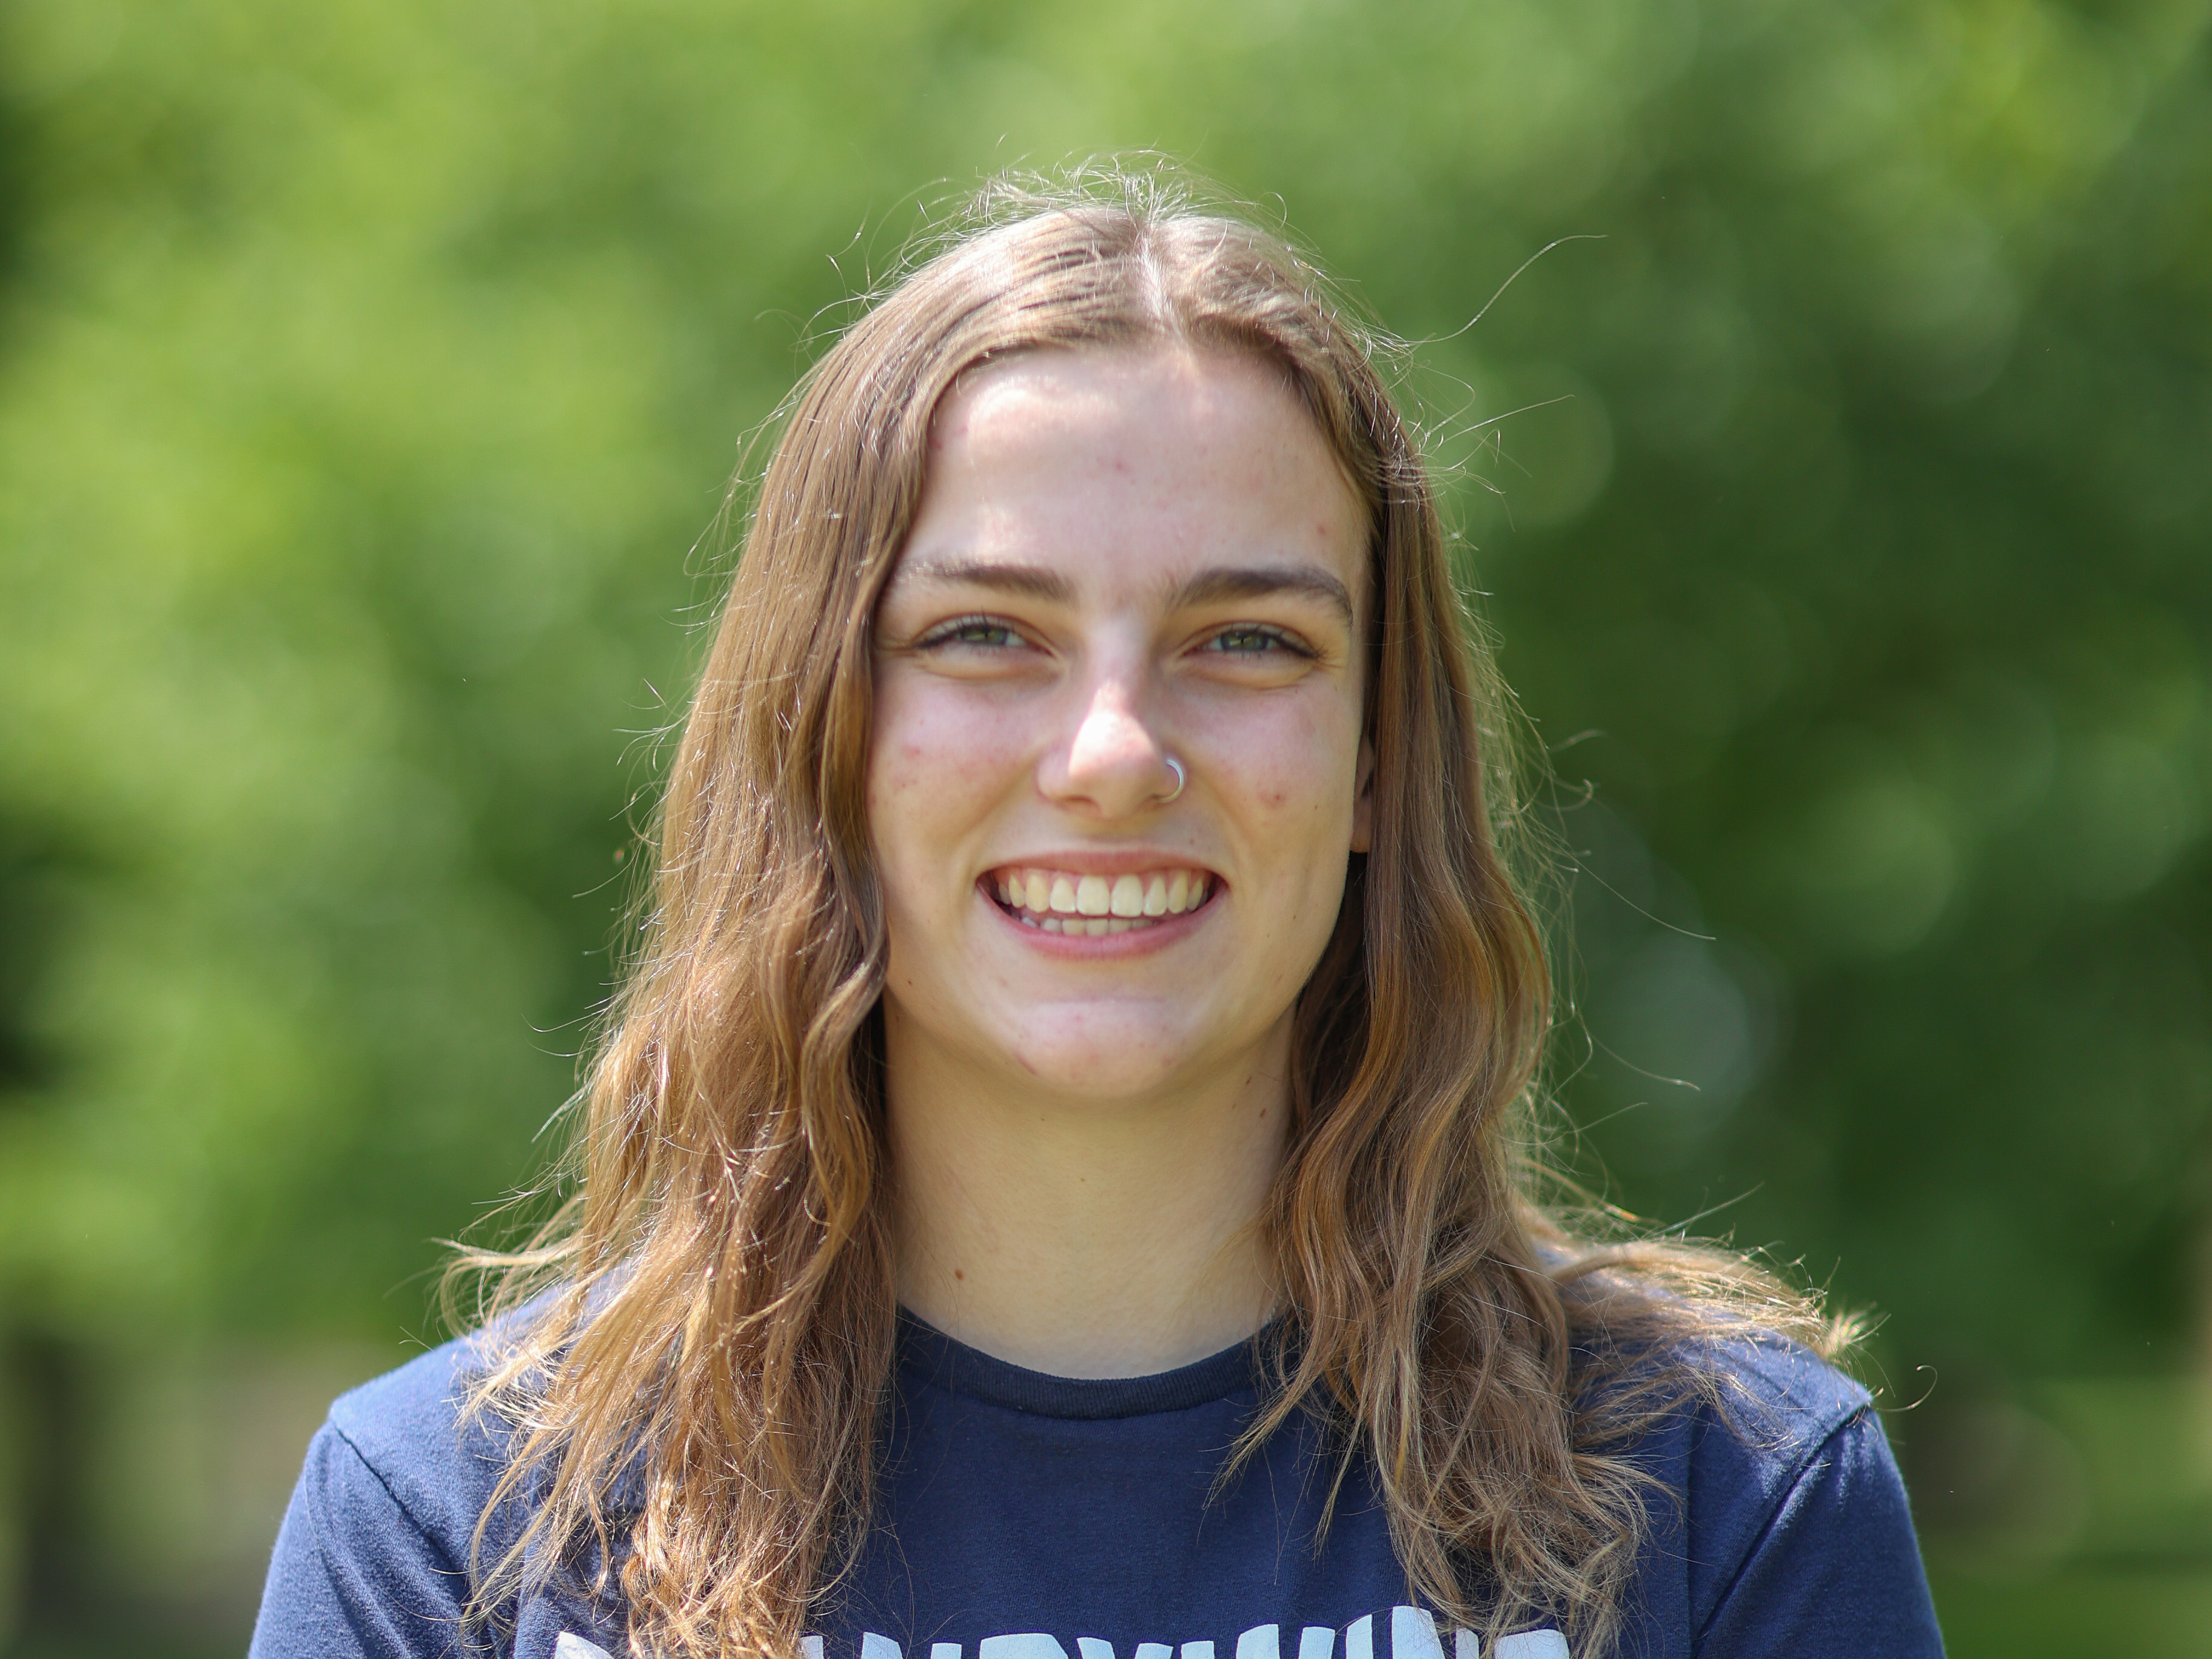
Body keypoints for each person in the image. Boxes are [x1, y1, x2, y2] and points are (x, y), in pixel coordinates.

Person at [249, 173, 1945, 1659]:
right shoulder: (461, 1536)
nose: (1117, 753)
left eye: (1250, 641)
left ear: (1377, 761)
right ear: (824, 744)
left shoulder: (1722, 1499)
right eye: (986, 633)